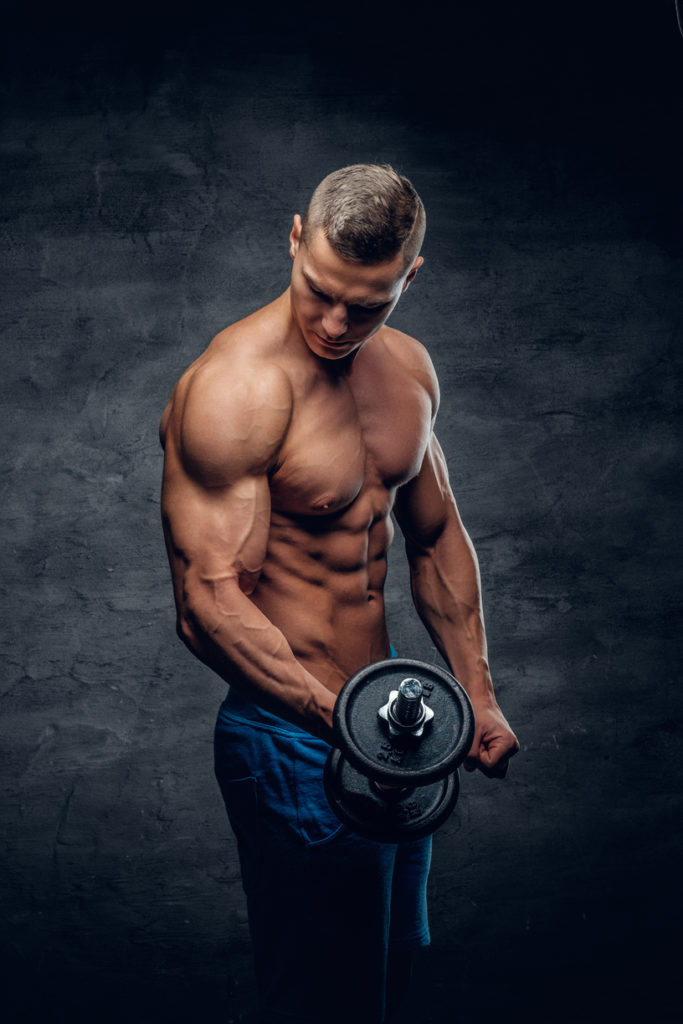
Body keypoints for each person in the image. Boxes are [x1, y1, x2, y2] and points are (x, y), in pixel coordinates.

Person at [159, 164, 519, 1024]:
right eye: (318, 290)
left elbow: (434, 538)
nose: (333, 322)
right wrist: (343, 725)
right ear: (293, 239)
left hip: (388, 719)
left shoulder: (407, 371)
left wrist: (477, 693)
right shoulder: (235, 389)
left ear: (409, 277)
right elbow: (207, 604)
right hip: (290, 735)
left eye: (367, 304)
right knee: (324, 997)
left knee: (390, 974)